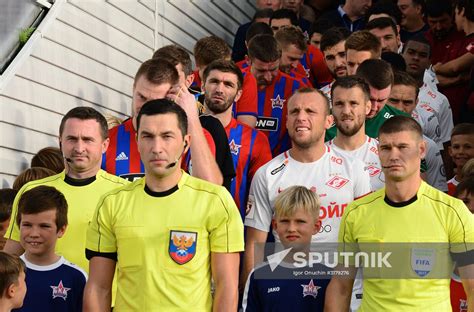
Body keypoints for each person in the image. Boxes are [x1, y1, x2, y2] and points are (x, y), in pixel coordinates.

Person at [84, 99, 244, 311]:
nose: (157, 147)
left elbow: (227, 287)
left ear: (186, 143)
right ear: (137, 141)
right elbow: (98, 288)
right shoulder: (112, 203)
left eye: (167, 136)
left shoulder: (215, 201)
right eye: (148, 136)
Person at [325, 115, 474, 311]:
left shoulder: (453, 211)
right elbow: (341, 286)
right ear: (378, 152)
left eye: (403, 147)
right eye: (386, 148)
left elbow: (471, 287)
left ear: (421, 150)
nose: (393, 155)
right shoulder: (356, 212)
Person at [242, 88, 371, 308]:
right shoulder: (267, 174)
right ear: (286, 121)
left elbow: (366, 238)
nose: (301, 117)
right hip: (288, 289)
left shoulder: (355, 169)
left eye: (310, 111)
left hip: (347, 289)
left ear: (328, 120)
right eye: (294, 111)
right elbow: (256, 245)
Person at [4, 106, 128, 277]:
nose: (79, 147)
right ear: (60, 140)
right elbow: (10, 259)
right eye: (72, 139)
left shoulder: (124, 193)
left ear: (105, 145)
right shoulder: (33, 190)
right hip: (41, 300)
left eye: (88, 140)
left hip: (106, 301)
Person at [102, 57, 227, 188]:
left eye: (155, 101)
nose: (145, 107)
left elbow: (211, 187)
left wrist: (192, 117)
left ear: (172, 99)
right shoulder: (107, 139)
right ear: (134, 88)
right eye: (141, 97)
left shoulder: (193, 137)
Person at [153, 45, 236, 190]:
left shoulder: (211, 127)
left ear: (189, 80)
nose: (165, 87)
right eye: (159, 78)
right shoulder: (139, 125)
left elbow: (219, 191)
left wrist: (191, 118)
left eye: (173, 79)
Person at [202, 59, 272, 218]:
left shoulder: (256, 141)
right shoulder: (183, 132)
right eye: (214, 81)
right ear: (202, 86)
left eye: (228, 84)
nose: (219, 89)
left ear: (239, 94)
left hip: (233, 231)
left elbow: (261, 198)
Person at [242, 186, 329, 311]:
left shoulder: (329, 276)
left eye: (300, 221)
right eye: (285, 221)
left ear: (316, 226)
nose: (291, 228)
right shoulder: (259, 275)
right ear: (275, 225)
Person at [16, 186, 86, 312]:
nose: (34, 233)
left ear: (61, 230)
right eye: (27, 225)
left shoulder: (77, 277)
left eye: (44, 226)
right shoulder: (6, 271)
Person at [240, 34, 306, 156]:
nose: (268, 77)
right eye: (261, 71)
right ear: (248, 60)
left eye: (273, 69)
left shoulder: (296, 89)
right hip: (239, 163)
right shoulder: (233, 83)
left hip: (280, 166)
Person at [402, 35, 454, 177]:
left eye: (422, 55)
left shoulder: (440, 100)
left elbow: (445, 145)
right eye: (411, 53)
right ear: (402, 54)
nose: (416, 58)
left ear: (429, 62)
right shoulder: (386, 92)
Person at [387, 70, 447, 192]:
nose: (400, 108)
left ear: (416, 103)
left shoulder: (428, 146)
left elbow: (439, 194)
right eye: (394, 100)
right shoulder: (364, 140)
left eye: (407, 102)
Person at [325, 59, 409, 141]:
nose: (374, 107)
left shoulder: (403, 122)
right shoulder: (325, 123)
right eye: (370, 99)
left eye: (381, 100)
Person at [326, 76, 384, 191]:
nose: (346, 111)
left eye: (353, 103)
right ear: (332, 108)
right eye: (339, 104)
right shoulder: (319, 157)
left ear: (367, 107)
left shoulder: (384, 154)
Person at [193, 35, 259, 128]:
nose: (219, 89)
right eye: (209, 72)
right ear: (197, 64)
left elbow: (246, 130)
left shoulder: (244, 78)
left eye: (224, 68)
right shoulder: (186, 81)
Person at [425, 0, 474, 124]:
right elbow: (431, 78)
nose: (439, 26)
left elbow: (454, 67)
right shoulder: (458, 42)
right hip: (446, 111)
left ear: (461, 11)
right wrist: (455, 79)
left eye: (456, 13)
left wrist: (435, 69)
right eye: (433, 22)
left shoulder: (464, 40)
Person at [269, 9, 333, 87]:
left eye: (284, 28)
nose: (296, 65)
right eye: (292, 59)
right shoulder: (258, 68)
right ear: (278, 51)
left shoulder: (300, 76)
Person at [319, 27, 351, 102]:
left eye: (343, 54)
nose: (338, 64)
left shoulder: (374, 92)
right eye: (330, 58)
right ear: (324, 61)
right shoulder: (319, 98)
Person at [447, 123, 474, 195]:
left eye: (467, 147)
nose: (461, 152)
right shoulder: (445, 189)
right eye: (456, 147)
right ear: (450, 151)